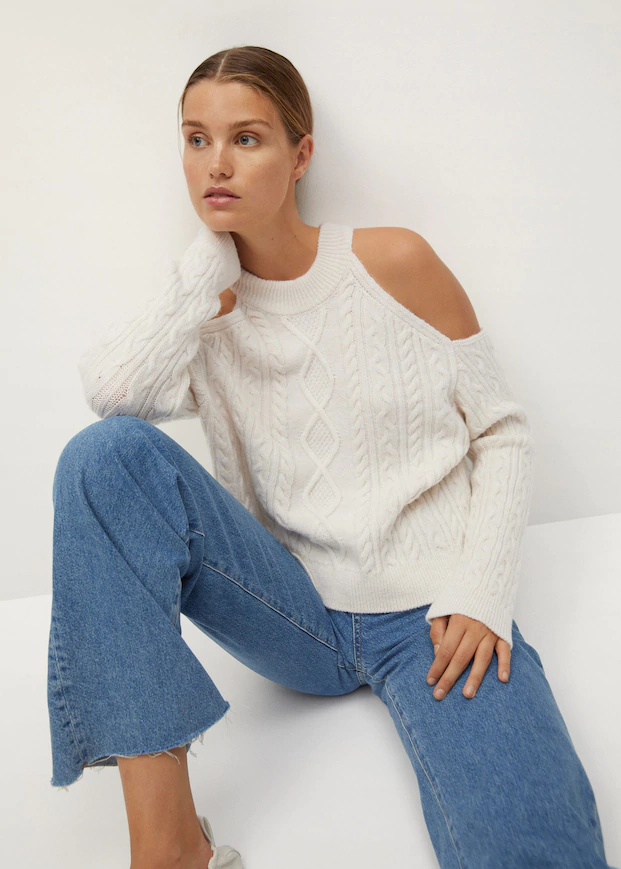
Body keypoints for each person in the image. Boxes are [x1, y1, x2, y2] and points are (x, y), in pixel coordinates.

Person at [47, 45, 615, 869]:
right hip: (291, 612)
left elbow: (501, 430)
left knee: (528, 844)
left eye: (246, 138)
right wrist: (203, 272)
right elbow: (111, 394)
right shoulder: (206, 308)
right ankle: (169, 847)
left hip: (430, 612)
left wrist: (481, 590)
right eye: (196, 139)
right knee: (103, 459)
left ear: (300, 153)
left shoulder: (393, 263)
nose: (215, 163)